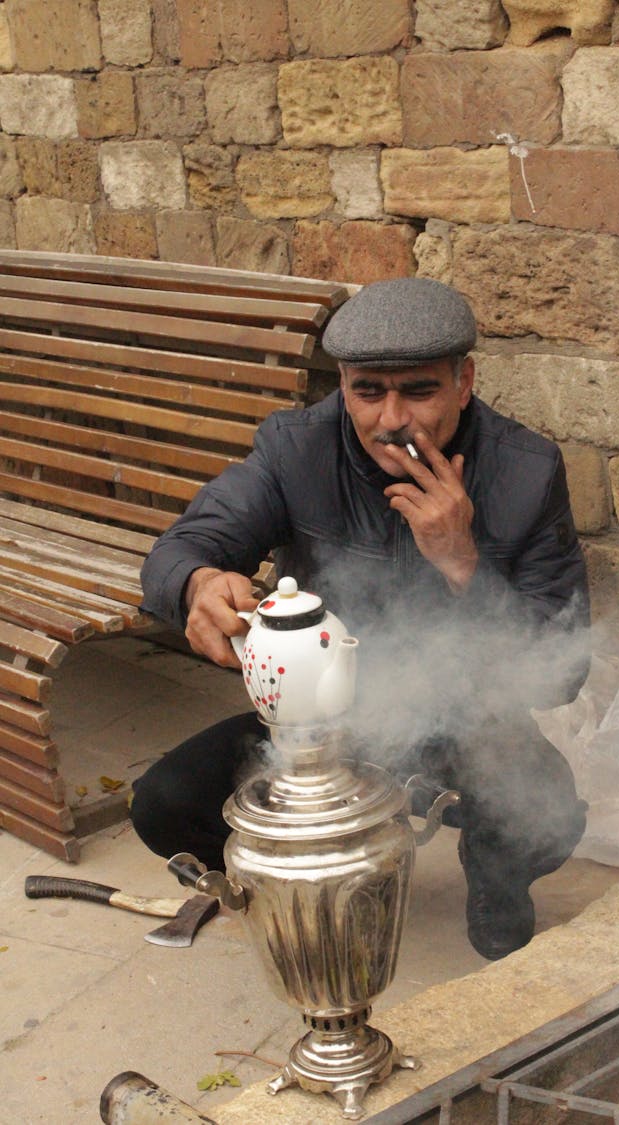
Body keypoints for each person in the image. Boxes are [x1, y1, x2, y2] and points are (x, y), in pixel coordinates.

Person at [131, 277, 589, 961]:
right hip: (323, 712)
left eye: (419, 390)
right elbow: (183, 548)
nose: (390, 418)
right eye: (367, 390)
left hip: (464, 713)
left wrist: (465, 563)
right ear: (342, 384)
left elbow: (561, 669)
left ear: (464, 382)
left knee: (549, 815)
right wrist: (197, 583)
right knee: (162, 803)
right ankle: (296, 888)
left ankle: (495, 882)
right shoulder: (297, 449)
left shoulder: (525, 471)